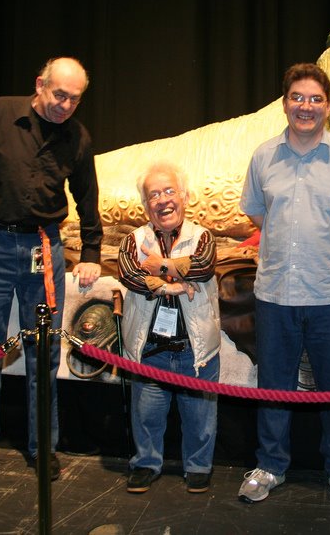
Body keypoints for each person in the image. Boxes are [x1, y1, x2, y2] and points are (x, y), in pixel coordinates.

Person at [238, 62, 330, 507]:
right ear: (285, 103)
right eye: (298, 98)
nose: (306, 107)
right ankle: (270, 465)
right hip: (275, 294)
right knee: (274, 386)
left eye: (315, 99)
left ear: (327, 105)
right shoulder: (264, 156)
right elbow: (257, 213)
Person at [0, 56, 103, 481]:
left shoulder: (77, 137)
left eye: (74, 99)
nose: (65, 106)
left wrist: (91, 252)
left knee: (45, 352)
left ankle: (42, 448)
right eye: (59, 95)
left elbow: (88, 197)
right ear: (40, 84)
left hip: (42, 246)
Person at [117, 161, 221, 494]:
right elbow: (131, 274)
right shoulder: (131, 240)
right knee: (146, 414)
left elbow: (202, 267)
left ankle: (199, 467)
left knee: (200, 416)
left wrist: (159, 266)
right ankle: (146, 463)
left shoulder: (202, 236)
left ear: (184, 196)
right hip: (149, 348)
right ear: (146, 205)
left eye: (169, 191)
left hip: (196, 349)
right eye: (154, 195)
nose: (163, 200)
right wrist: (172, 284)